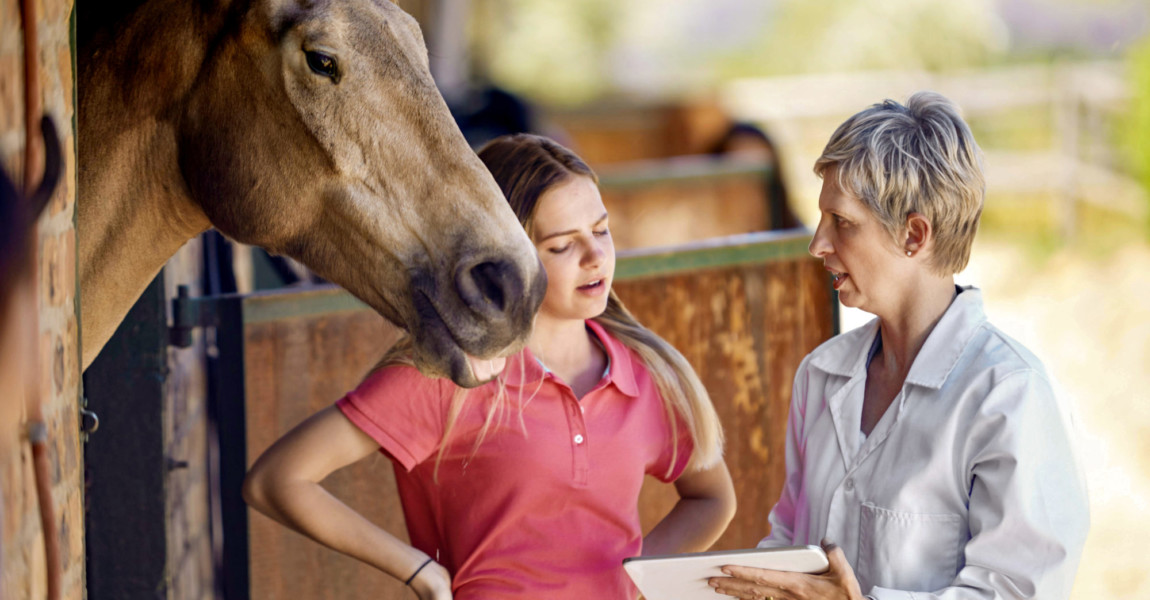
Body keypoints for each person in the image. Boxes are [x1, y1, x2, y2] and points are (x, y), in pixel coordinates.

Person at [243, 133, 737, 600]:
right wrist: (421, 572)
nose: (595, 256)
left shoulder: (649, 375)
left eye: (602, 230)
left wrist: (634, 580)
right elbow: (277, 480)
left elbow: (711, 498)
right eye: (562, 245)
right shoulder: (447, 377)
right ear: (502, 256)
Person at [709, 92, 1088, 600]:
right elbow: (790, 540)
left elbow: (1023, 591)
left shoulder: (1009, 395)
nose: (817, 243)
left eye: (842, 222)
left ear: (914, 235)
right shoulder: (820, 375)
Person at [708, 122, 803, 230]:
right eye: (740, 179)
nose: (751, 192)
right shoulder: (704, 238)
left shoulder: (799, 238)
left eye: (760, 177)